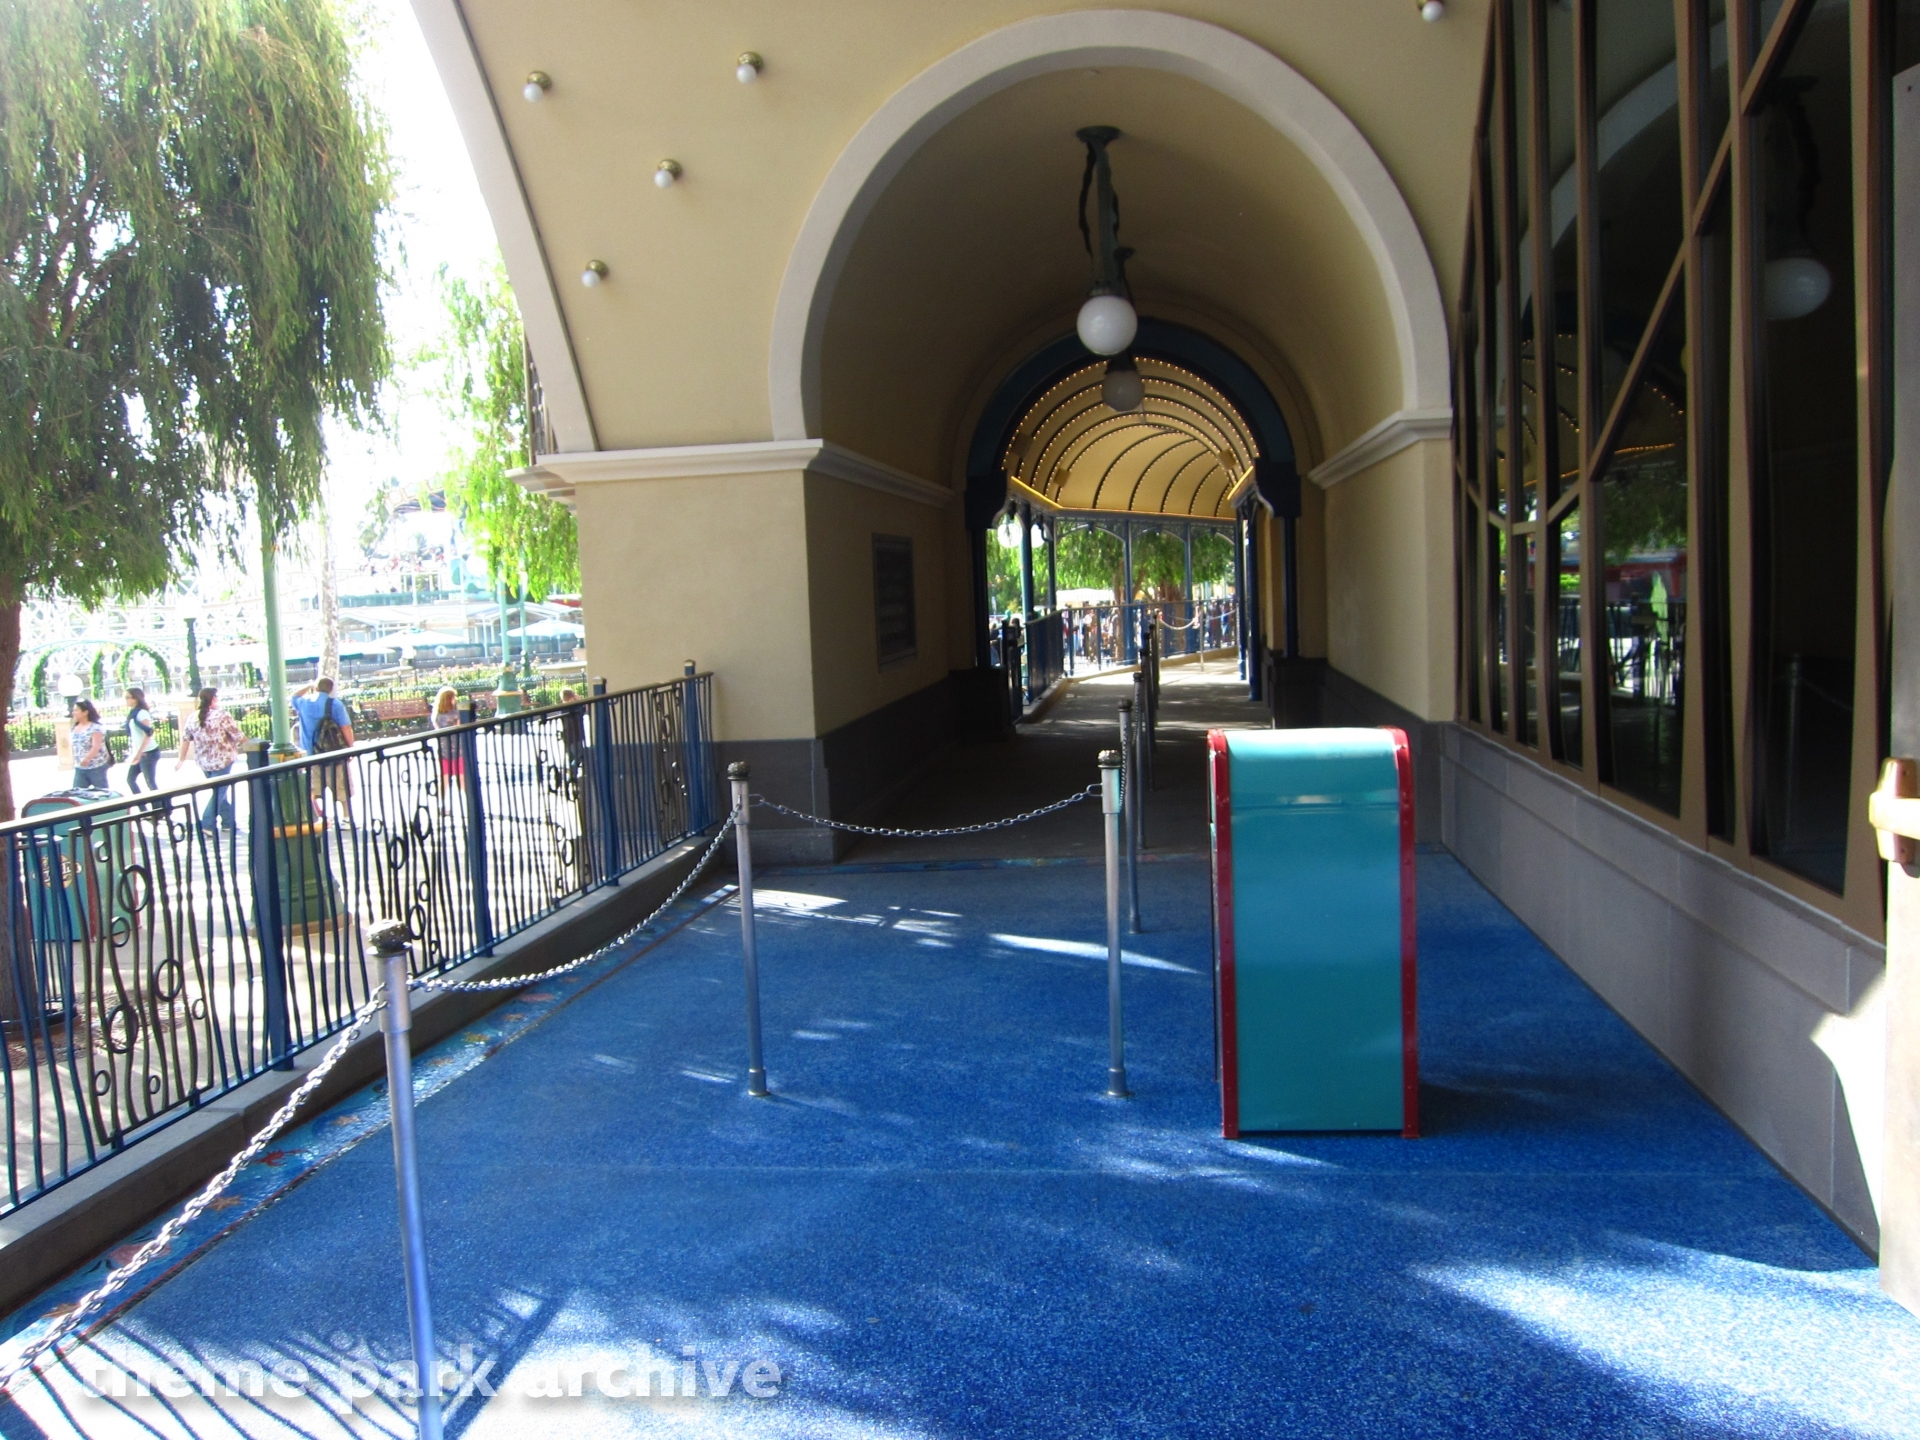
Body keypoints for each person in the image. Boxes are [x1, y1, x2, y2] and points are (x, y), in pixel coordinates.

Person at [178, 687, 245, 833]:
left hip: (204, 761)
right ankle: (207, 823)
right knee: (219, 792)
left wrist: (181, 759)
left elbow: (186, 739)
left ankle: (228, 822)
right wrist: (252, 745)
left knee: (219, 791)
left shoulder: (193, 717)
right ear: (214, 698)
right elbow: (237, 735)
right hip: (223, 759)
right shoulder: (222, 715)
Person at [292, 677, 356, 823]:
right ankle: (346, 818)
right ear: (331, 689)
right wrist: (350, 748)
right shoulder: (335, 704)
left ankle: (316, 816)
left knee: (313, 788)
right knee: (342, 787)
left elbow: (294, 696)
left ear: (316, 688)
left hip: (311, 753)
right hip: (334, 753)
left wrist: (309, 685)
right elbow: (345, 727)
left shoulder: (304, 703)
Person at [123, 687, 159, 794]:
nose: (126, 700)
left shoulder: (142, 713)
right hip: (141, 752)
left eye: (128, 697)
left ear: (136, 698)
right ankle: (141, 803)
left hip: (148, 752)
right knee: (130, 779)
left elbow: (147, 734)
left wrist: (139, 753)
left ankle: (161, 804)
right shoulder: (133, 713)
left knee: (150, 783)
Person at [70, 699, 110, 790]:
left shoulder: (95, 728)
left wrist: (87, 759)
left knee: (102, 792)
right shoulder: (74, 728)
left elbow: (96, 746)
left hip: (96, 767)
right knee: (77, 792)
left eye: (76, 710)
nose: (73, 713)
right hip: (80, 768)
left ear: (85, 712)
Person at [431, 687, 464, 792]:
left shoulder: (437, 715)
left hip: (443, 749)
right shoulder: (455, 714)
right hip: (457, 749)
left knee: (444, 777)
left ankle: (442, 800)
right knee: (461, 776)